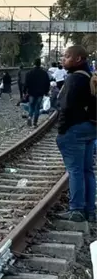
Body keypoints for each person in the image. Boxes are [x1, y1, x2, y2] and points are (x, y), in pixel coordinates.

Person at [55, 45, 97, 222]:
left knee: (75, 171)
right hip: (90, 128)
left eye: (66, 56)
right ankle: (90, 210)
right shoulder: (90, 77)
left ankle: (76, 210)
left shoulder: (74, 79)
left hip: (74, 129)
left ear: (78, 59)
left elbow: (66, 107)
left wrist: (61, 131)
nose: (63, 59)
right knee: (87, 170)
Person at [24, 58, 51, 127]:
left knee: (31, 106)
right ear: (40, 64)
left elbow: (26, 83)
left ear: (34, 64)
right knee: (37, 108)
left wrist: (25, 91)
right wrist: (46, 92)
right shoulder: (44, 73)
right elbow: (47, 83)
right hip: (40, 93)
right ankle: (35, 123)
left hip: (31, 93)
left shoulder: (29, 73)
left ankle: (30, 117)